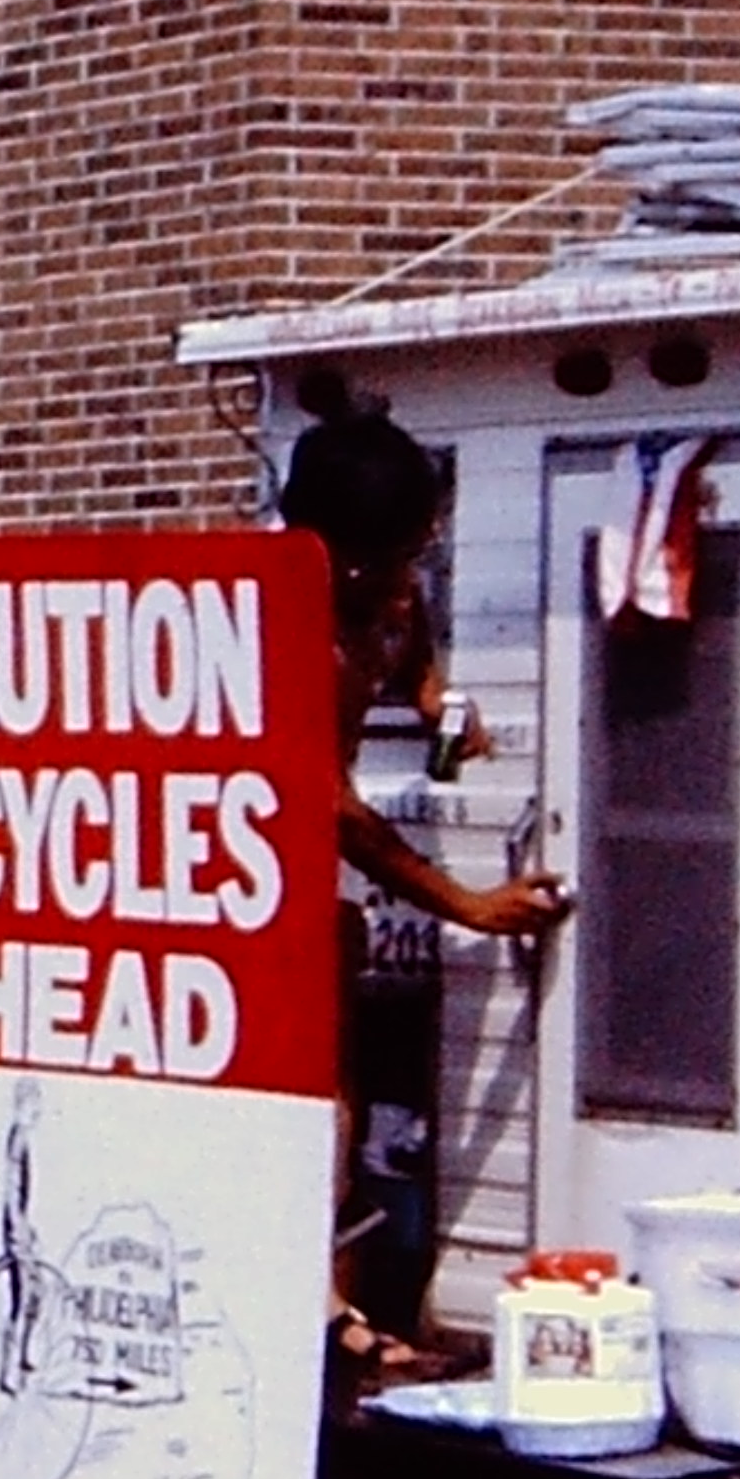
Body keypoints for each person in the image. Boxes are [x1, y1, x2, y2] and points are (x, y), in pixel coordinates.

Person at [272, 410, 570, 1365]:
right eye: (403, 551)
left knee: (342, 1103)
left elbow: (422, 669)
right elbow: (331, 807)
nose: (417, 569)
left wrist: (445, 713)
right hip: (256, 882)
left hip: (319, 892)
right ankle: (315, 1321)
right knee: (309, 1102)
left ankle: (329, 1318)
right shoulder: (290, 634)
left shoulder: (389, 597)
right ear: (346, 558)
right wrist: (472, 905)